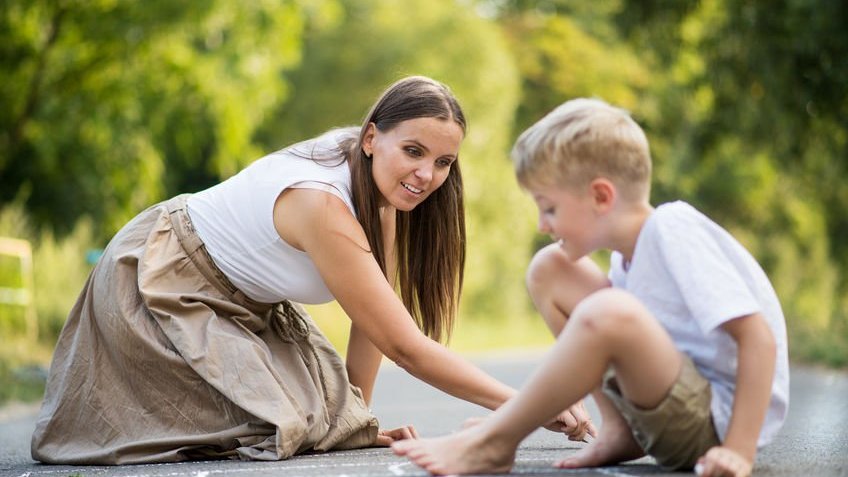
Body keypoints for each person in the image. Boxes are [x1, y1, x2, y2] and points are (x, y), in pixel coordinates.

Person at [30, 76, 595, 465]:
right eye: (414, 151)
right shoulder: (324, 204)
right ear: (372, 137)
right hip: (163, 281)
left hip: (244, 308)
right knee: (284, 428)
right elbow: (407, 347)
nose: (427, 175)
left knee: (325, 422)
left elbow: (377, 323)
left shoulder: (382, 193)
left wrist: (359, 423)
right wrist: (526, 404)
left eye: (443, 162)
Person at [392, 98, 789, 477]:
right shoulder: (626, 258)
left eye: (549, 208)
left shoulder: (672, 229)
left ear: (601, 196)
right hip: (669, 408)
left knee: (610, 313)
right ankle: (620, 432)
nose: (542, 224)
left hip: (713, 425)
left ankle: (495, 443)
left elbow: (758, 337)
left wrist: (738, 449)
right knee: (549, 268)